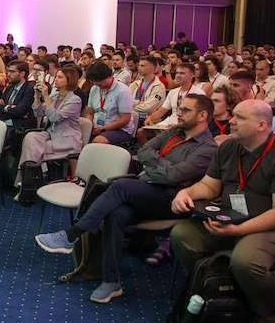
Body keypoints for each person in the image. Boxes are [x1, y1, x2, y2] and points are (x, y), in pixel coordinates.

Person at [37, 94, 217, 304]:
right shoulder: (175, 131)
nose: (179, 113)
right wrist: (161, 166)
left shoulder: (208, 148)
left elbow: (172, 177)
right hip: (149, 189)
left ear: (202, 115)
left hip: (174, 200)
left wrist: (154, 166)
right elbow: (144, 150)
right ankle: (111, 282)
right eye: (180, 108)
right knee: (117, 213)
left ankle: (72, 234)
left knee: (120, 185)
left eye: (186, 110)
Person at [170, 99, 275, 323]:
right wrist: (186, 193)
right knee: (183, 234)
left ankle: (268, 313)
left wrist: (239, 230)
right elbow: (209, 186)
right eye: (233, 115)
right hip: (232, 218)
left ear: (261, 125)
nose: (231, 121)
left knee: (246, 261)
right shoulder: (228, 147)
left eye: (240, 117)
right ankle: (221, 288)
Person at [16, 66, 83, 190]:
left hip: (66, 139)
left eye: (60, 77)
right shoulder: (56, 96)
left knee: (34, 148)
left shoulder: (75, 100)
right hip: (52, 134)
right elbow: (38, 113)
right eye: (56, 76)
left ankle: (28, 180)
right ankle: (30, 177)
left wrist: (46, 96)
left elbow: (54, 117)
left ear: (69, 80)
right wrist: (37, 96)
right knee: (30, 137)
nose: (55, 79)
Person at [85, 61, 135, 145]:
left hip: (119, 129)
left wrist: (103, 128)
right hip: (97, 126)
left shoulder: (123, 91)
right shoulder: (95, 88)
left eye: (99, 81)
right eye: (94, 81)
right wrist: (89, 125)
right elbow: (90, 112)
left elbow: (125, 119)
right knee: (77, 134)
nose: (96, 83)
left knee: (98, 141)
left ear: (109, 76)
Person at [142, 63, 204, 130]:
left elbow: (200, 116)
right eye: (177, 73)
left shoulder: (199, 93)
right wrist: (150, 118)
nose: (178, 75)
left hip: (187, 125)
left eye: (182, 73)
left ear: (192, 75)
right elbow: (162, 110)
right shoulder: (172, 92)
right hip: (170, 122)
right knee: (142, 131)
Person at [0, 60, 34, 128]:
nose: (8, 74)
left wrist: (4, 107)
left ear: (22, 74)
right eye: (8, 71)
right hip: (5, 121)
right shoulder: (9, 87)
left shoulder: (29, 89)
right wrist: (8, 107)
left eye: (12, 72)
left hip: (18, 126)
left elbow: (20, 111)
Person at [129, 56, 166, 129]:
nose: (139, 68)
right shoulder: (135, 84)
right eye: (139, 65)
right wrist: (137, 103)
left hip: (148, 119)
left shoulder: (159, 87)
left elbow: (148, 108)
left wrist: (128, 107)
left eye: (142, 66)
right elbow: (124, 100)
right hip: (132, 115)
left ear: (152, 68)